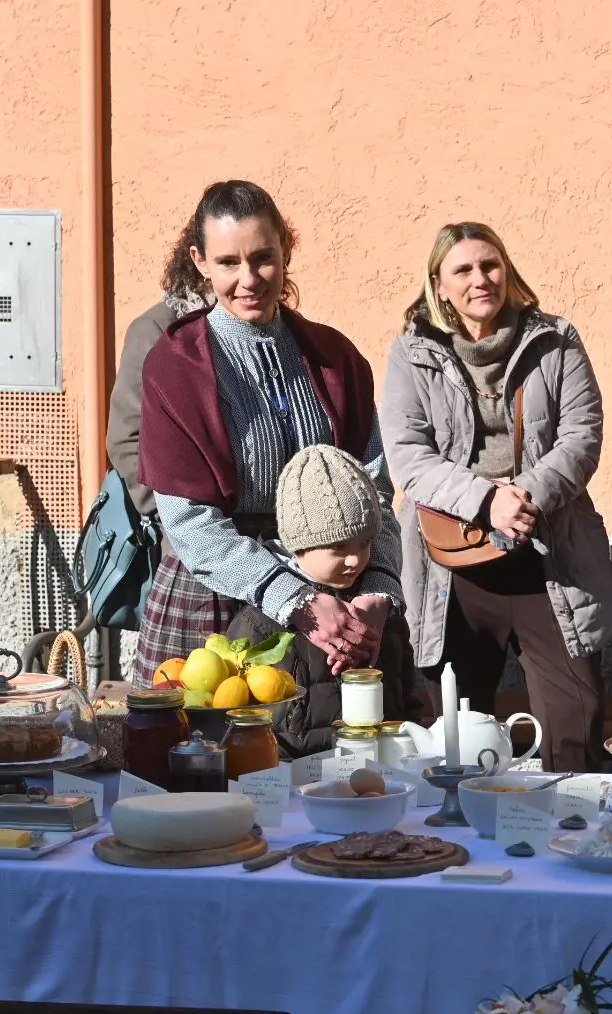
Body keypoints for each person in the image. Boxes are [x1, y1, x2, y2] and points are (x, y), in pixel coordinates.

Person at [133, 179, 404, 687]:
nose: (249, 278)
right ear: (200, 261)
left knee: (333, 763)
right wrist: (294, 597)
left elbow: (376, 495)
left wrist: (378, 589)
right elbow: (190, 522)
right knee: (198, 760)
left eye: (262, 257)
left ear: (287, 248)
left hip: (339, 603)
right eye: (228, 263)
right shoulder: (174, 368)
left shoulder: (335, 358)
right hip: (208, 602)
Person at [380, 222, 612, 773]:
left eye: (490, 265)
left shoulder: (557, 339)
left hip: (550, 557)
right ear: (439, 285)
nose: (479, 279)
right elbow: (409, 456)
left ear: (507, 269)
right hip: (453, 568)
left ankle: (573, 840)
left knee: (574, 729)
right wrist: (485, 502)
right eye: (462, 270)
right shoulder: (411, 354)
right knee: (460, 741)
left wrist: (526, 496)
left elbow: (582, 436)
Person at [226, 446, 419, 756]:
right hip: (292, 775)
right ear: (298, 546)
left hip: (382, 772)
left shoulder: (381, 610)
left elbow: (404, 690)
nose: (355, 559)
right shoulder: (259, 625)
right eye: (339, 547)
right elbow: (244, 719)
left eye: (365, 542)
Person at [107, 222, 213, 528]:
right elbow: (126, 439)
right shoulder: (156, 331)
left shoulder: (271, 329)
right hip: (187, 541)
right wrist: (179, 517)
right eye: (230, 259)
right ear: (199, 260)